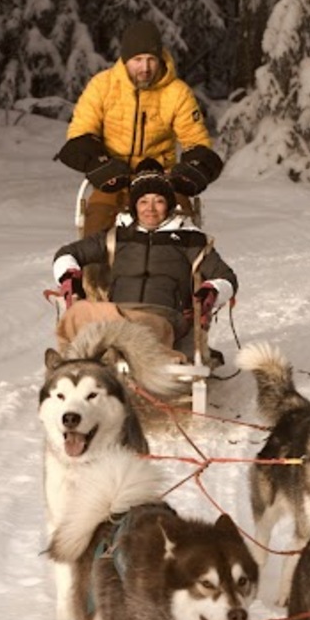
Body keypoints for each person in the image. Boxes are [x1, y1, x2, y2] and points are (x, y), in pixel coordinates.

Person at [52, 159, 237, 364]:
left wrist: (211, 291)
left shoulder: (190, 240)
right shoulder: (116, 236)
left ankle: (112, 360)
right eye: (143, 201)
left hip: (162, 316)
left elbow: (226, 277)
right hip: (116, 312)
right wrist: (70, 277)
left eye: (158, 201)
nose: (150, 208)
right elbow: (67, 253)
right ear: (134, 206)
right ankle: (72, 368)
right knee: (77, 314)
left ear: (168, 205)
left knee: (134, 328)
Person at [56, 19, 225, 238]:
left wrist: (192, 168)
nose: (145, 68)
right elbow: (80, 133)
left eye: (150, 59)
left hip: (162, 178)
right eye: (137, 60)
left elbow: (196, 141)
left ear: (160, 58)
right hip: (114, 178)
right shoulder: (103, 86)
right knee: (94, 235)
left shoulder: (177, 93)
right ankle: (92, 272)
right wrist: (100, 165)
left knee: (186, 236)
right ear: (125, 60)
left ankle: (194, 271)